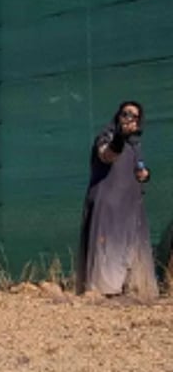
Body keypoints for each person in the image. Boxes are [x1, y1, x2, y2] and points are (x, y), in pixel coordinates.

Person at [76, 101, 158, 300]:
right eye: (126, 113)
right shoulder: (106, 137)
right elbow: (107, 155)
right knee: (107, 247)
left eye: (135, 116)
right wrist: (119, 137)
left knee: (131, 248)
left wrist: (145, 175)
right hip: (108, 206)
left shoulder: (135, 145)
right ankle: (105, 290)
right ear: (118, 115)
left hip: (131, 207)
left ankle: (132, 288)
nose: (130, 119)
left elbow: (139, 169)